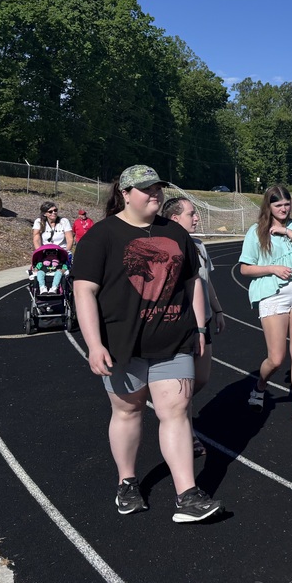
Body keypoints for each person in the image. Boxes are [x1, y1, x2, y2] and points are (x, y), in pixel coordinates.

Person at [73, 165, 222, 523]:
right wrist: (94, 344)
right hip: (122, 344)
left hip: (173, 340)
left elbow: (192, 283)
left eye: (157, 188)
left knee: (176, 411)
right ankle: (127, 481)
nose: (154, 193)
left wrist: (199, 329)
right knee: (128, 412)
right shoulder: (101, 236)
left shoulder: (175, 232)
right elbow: (84, 291)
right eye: (145, 189)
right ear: (125, 193)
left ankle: (187, 494)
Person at [238, 185, 292, 426]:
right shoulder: (256, 232)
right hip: (273, 295)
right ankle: (260, 385)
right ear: (269, 207)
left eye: (287, 204)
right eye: (278, 205)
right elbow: (244, 268)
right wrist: (272, 268)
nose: (284, 208)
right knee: (276, 358)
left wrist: (287, 233)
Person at [162, 197, 226, 456]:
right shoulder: (166, 248)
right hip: (180, 323)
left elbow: (205, 281)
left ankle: (177, 412)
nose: (197, 217)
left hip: (205, 320)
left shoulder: (199, 246)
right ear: (175, 218)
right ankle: (185, 430)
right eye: (192, 214)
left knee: (201, 378)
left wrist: (218, 309)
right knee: (184, 384)